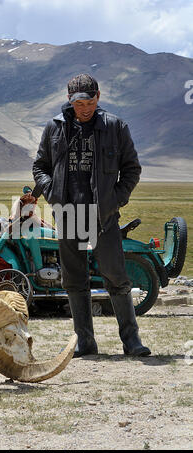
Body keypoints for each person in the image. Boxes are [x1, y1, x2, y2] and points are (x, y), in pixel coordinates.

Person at [32, 73, 151, 358]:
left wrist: (116, 200)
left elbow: (132, 169)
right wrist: (52, 193)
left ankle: (131, 341)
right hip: (68, 211)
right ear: (68, 99)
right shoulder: (55, 128)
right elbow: (40, 166)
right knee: (73, 277)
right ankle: (85, 341)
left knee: (115, 275)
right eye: (78, 103)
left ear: (98, 97)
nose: (84, 108)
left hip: (103, 214)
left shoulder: (115, 127)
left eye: (89, 101)